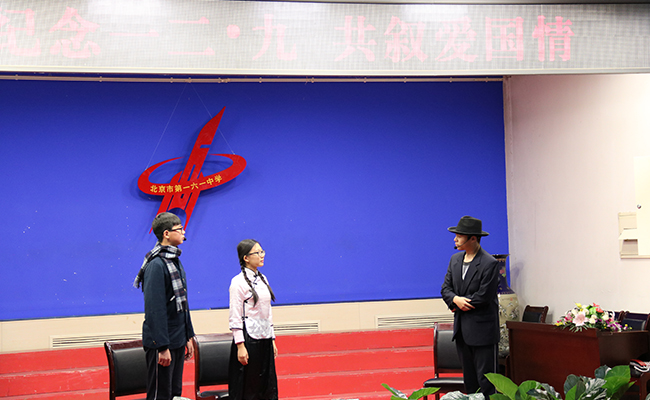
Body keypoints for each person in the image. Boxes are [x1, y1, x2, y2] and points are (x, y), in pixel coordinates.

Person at [133, 212, 195, 400]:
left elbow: (182, 303)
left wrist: (188, 335)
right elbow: (155, 309)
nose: (184, 232)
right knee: (160, 395)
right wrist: (162, 347)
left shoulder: (174, 260)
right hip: (162, 342)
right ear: (166, 234)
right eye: (179, 229)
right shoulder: (156, 265)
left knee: (174, 394)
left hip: (177, 337)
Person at [440, 215, 500, 396]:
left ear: (473, 238)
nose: (455, 239)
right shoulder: (455, 259)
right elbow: (445, 289)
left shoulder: (489, 263)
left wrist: (458, 302)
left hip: (483, 332)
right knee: (470, 381)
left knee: (486, 382)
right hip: (462, 332)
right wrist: (455, 300)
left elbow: (483, 296)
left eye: (459, 236)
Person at [228, 239, 278, 400]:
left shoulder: (263, 279)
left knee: (267, 385)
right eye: (257, 253)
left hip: (265, 337)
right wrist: (240, 346)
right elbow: (235, 315)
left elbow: (267, 312)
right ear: (246, 258)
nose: (262, 255)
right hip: (248, 339)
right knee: (249, 387)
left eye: (262, 251)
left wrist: (272, 339)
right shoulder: (238, 282)